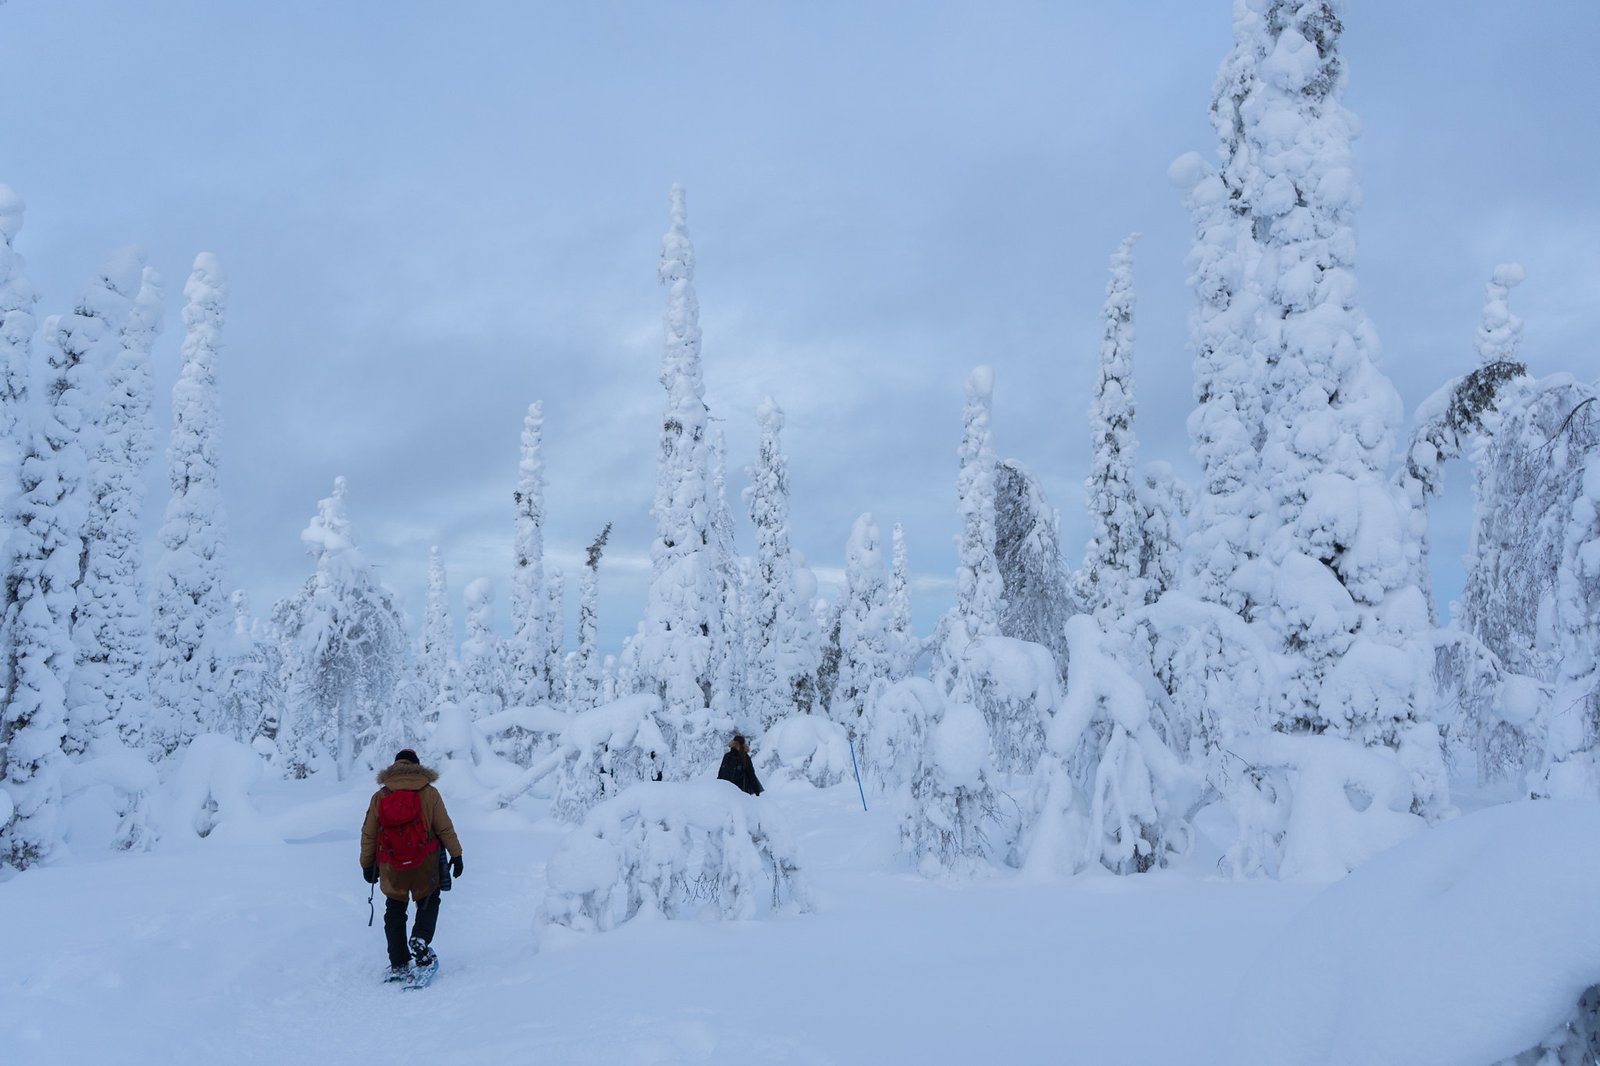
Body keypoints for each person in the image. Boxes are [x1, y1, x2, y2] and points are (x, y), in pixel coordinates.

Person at [359, 748, 464, 980]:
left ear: (394, 768)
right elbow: (444, 827)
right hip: (425, 862)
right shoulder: (429, 793)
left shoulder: (380, 796)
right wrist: (456, 855)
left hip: (391, 865)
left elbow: (369, 833)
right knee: (428, 900)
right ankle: (421, 938)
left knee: (394, 909)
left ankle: (398, 961)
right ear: (417, 766)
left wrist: (367, 864)